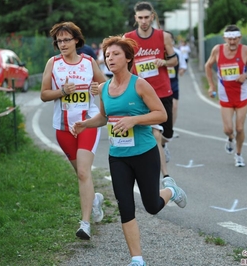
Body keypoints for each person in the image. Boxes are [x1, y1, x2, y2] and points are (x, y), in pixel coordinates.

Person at [72, 35, 187, 266]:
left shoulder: (140, 84)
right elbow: (104, 117)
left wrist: (134, 121)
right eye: (107, 55)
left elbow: (161, 115)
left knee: (152, 206)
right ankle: (137, 259)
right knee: (125, 206)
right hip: (118, 157)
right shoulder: (104, 88)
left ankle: (171, 191)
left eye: (115, 54)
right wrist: (85, 123)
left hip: (144, 153)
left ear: (127, 58)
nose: (110, 58)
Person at [40, 21, 107, 240]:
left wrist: (98, 88)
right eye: (59, 41)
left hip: (87, 122)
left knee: (82, 172)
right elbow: (44, 94)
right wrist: (61, 91)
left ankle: (85, 223)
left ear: (76, 40)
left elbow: (105, 85)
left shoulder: (88, 62)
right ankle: (95, 200)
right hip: (63, 127)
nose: (62, 44)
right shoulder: (53, 63)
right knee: (81, 173)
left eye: (66, 40)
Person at [123, 1, 178, 179]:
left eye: (147, 17)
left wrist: (164, 62)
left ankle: (164, 144)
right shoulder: (128, 38)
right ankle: (165, 176)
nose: (144, 21)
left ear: (152, 17)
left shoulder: (164, 36)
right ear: (135, 18)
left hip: (163, 91)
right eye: (140, 18)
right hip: (141, 93)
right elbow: (126, 64)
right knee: (155, 134)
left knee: (166, 133)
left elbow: (174, 60)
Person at [204, 25, 247, 167]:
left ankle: (238, 154)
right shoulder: (217, 50)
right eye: (230, 39)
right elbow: (207, 65)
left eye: (235, 39)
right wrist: (211, 85)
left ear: (239, 38)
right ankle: (230, 138)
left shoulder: (245, 50)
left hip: (241, 95)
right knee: (228, 129)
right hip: (225, 96)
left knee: (239, 128)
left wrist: (246, 75)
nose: (233, 42)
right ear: (225, 39)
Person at [164, 31, 187, 138]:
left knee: (174, 107)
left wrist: (181, 71)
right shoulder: (157, 52)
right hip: (161, 84)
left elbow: (183, 66)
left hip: (173, 83)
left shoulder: (177, 53)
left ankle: (170, 129)